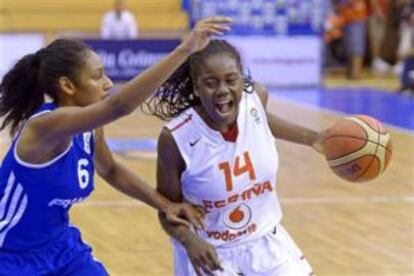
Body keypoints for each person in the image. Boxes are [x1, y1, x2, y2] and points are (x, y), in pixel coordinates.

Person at [0, 17, 231, 275]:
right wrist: (184, 50)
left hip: (61, 249)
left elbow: (110, 170)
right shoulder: (44, 127)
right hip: (10, 256)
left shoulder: (89, 127)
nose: (108, 83)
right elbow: (119, 106)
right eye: (97, 77)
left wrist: (166, 205)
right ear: (67, 86)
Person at [144, 39, 326, 275]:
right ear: (196, 88)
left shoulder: (255, 100)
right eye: (210, 83)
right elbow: (168, 210)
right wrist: (189, 241)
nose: (222, 90)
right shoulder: (176, 138)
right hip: (208, 251)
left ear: (243, 80)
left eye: (231, 80)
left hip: (264, 241)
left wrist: (313, 138)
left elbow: (260, 120)